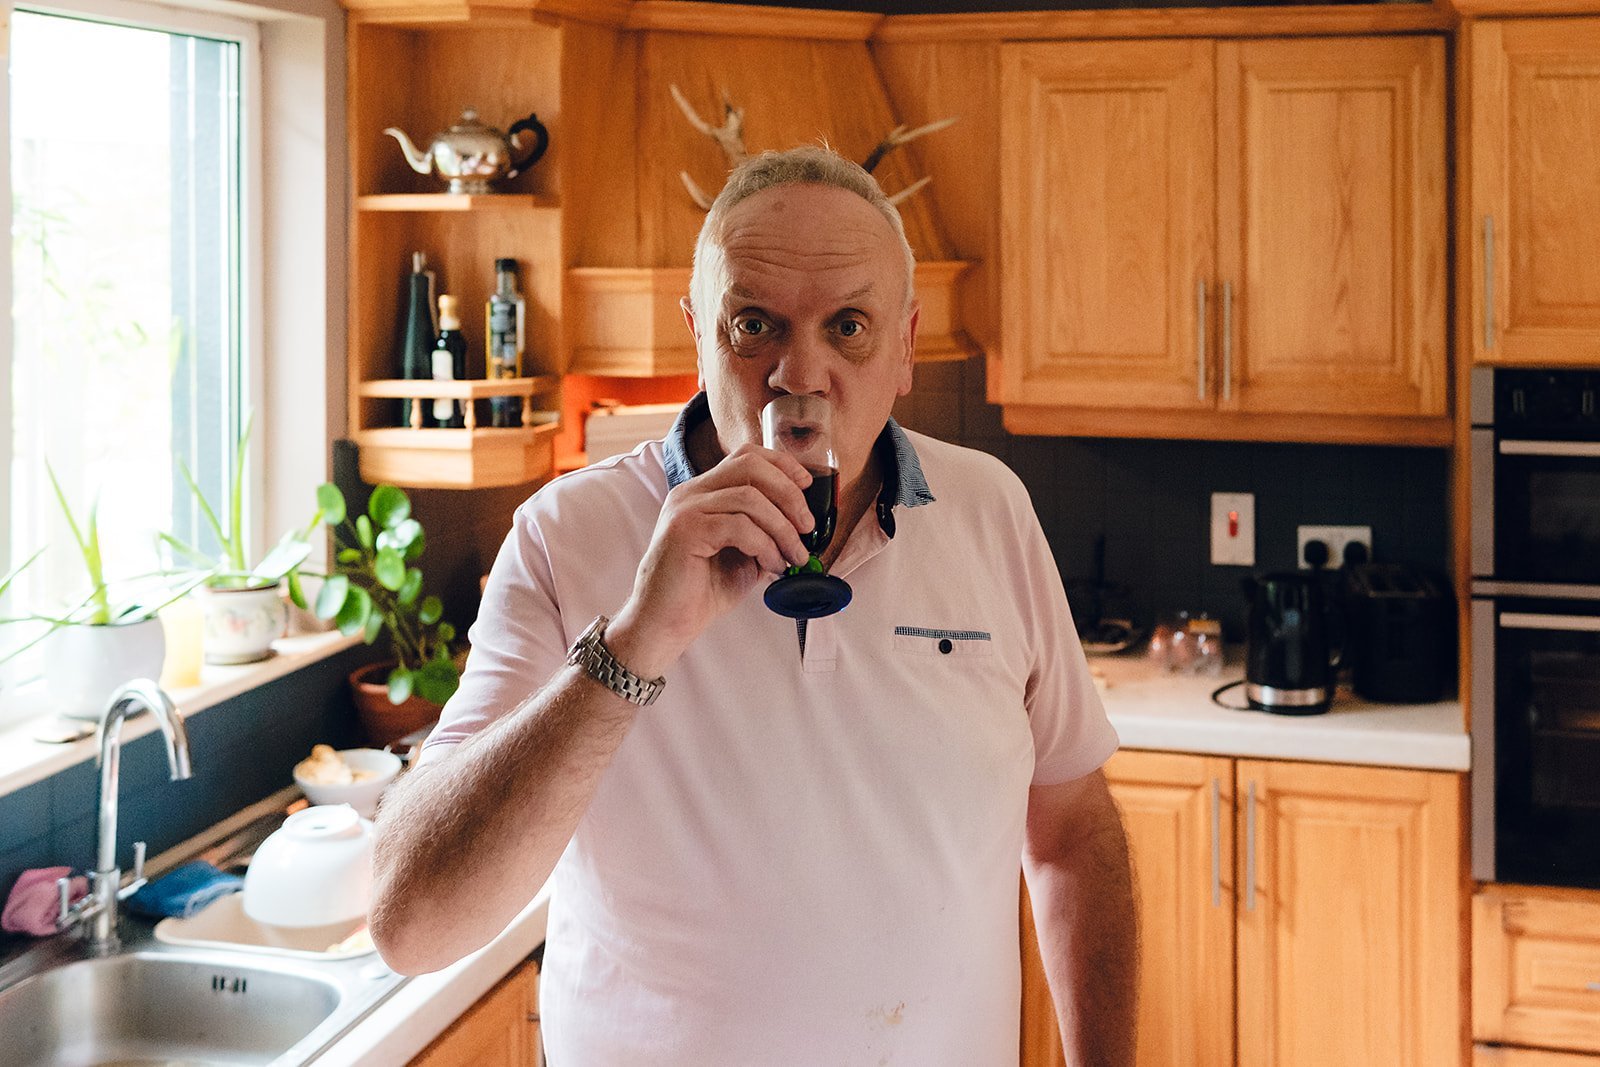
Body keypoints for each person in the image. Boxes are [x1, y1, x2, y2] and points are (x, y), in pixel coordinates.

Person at [370, 145, 1137, 1065]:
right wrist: (637, 641)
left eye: (848, 325)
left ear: (905, 346)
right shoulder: (562, 537)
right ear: (697, 333)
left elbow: (1074, 835)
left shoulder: (992, 512)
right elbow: (412, 924)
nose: (797, 375)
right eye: (755, 325)